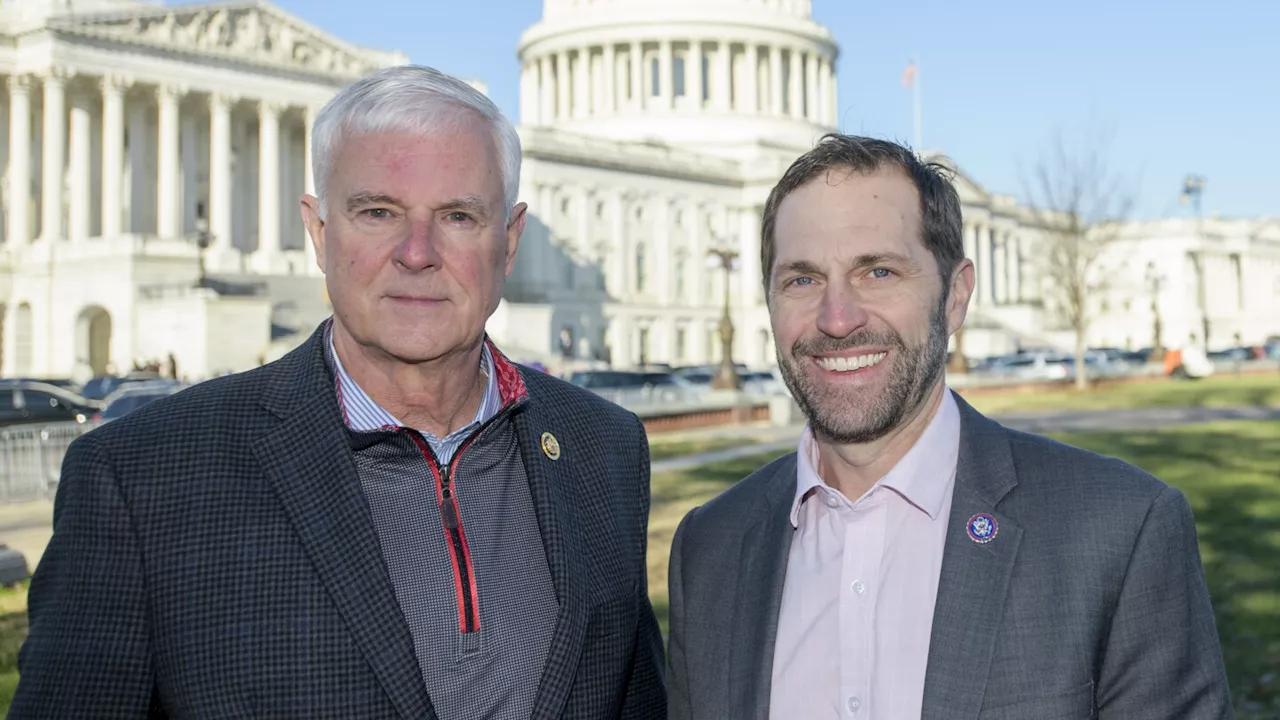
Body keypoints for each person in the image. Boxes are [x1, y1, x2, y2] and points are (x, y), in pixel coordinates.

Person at [14, 65, 665, 719]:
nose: (417, 252)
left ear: (509, 240)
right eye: (378, 212)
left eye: (459, 216)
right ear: (321, 234)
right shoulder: (141, 477)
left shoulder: (603, 448)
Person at [665, 134, 1232, 720]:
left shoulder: (1119, 531)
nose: (837, 319)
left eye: (878, 271)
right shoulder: (709, 550)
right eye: (802, 280)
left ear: (955, 296)